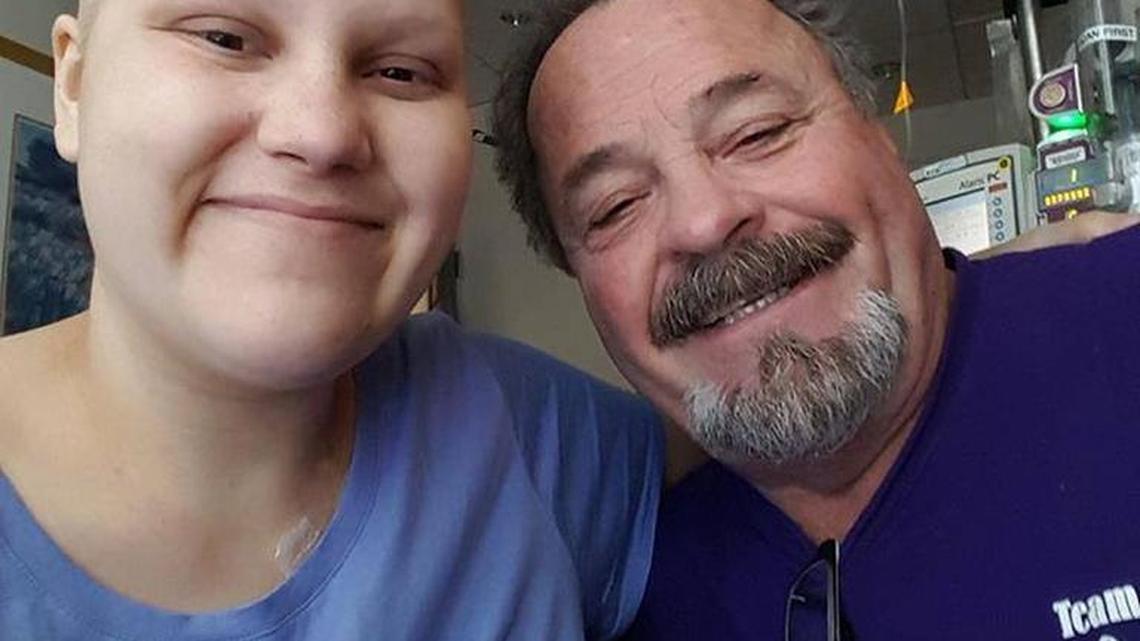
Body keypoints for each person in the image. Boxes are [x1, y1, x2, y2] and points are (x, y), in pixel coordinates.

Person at [0, 1, 663, 639]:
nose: (322, 133)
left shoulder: (522, 426)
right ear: (73, 85)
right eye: (223, 38)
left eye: (401, 72)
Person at [491, 0, 1140, 638]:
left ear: (880, 136)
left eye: (757, 133)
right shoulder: (618, 581)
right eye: (615, 205)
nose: (703, 221)